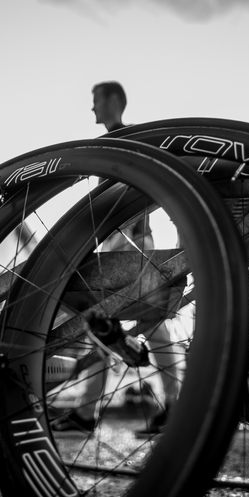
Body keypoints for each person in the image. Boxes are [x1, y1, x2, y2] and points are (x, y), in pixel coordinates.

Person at [50, 81, 182, 438]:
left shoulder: (128, 138)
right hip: (120, 238)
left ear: (113, 102)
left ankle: (168, 406)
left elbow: (143, 188)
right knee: (127, 327)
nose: (92, 109)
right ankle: (168, 405)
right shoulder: (117, 140)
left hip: (130, 238)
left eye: (95, 101)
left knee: (141, 325)